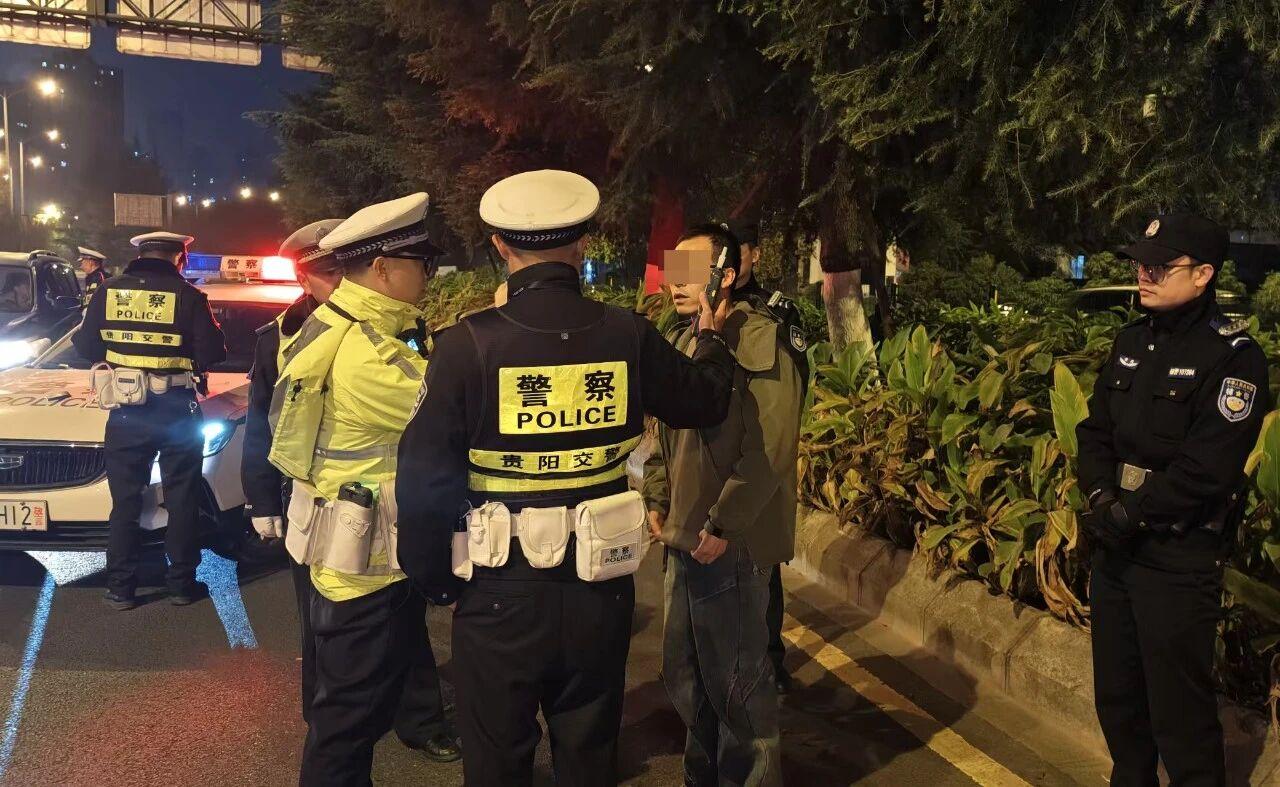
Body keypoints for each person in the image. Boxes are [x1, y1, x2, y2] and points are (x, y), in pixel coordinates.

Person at [396, 169, 736, 787]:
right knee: (589, 753)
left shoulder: (466, 346)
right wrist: (710, 342)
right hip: (599, 590)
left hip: (498, 590)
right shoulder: (628, 335)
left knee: (496, 759)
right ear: (582, 242)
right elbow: (706, 401)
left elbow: (422, 481)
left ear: (499, 246)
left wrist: (435, 580)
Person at [271, 194, 460, 785]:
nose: (428, 274)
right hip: (367, 570)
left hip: (350, 554)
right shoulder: (368, 354)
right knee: (348, 722)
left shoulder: (335, 323)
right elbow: (462, 420)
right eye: (420, 263)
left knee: (346, 713)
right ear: (381, 268)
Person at [1076, 213, 1268, 787]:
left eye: (1160, 266)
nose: (1144, 274)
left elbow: (1207, 469)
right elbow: (1095, 432)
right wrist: (1101, 496)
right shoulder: (1132, 341)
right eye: (1141, 263)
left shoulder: (1233, 357)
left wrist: (1131, 513)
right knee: (1119, 707)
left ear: (1203, 274)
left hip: (1176, 559)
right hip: (1116, 552)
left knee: (1181, 722)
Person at [642, 223, 802, 787]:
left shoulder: (758, 339)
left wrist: (724, 523)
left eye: (691, 272)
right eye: (673, 271)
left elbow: (771, 447)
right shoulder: (685, 338)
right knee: (685, 673)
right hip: (684, 532)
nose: (676, 283)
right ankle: (702, 774)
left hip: (729, 541)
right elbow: (664, 430)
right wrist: (657, 495)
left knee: (737, 684)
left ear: (727, 275)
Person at [73, 231, 227, 610]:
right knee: (181, 498)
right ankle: (181, 586)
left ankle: (120, 588)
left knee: (125, 501)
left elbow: (86, 346)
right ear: (180, 258)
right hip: (176, 410)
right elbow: (213, 352)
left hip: (127, 409)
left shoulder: (108, 292)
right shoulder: (189, 296)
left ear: (141, 254)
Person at [240, 218, 344, 724]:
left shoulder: (388, 324)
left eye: (345, 268)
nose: (340, 282)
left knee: (401, 607)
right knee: (316, 611)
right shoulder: (278, 337)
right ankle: (321, 711)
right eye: (328, 273)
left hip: (383, 486)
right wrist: (261, 501)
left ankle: (420, 718)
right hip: (306, 491)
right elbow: (261, 424)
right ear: (304, 278)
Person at [726, 218, 808, 694]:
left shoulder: (775, 315)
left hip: (754, 462)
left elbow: (792, 396)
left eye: (735, 251)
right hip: (706, 473)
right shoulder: (683, 314)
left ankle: (769, 661)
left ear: (754, 255)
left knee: (761, 567)